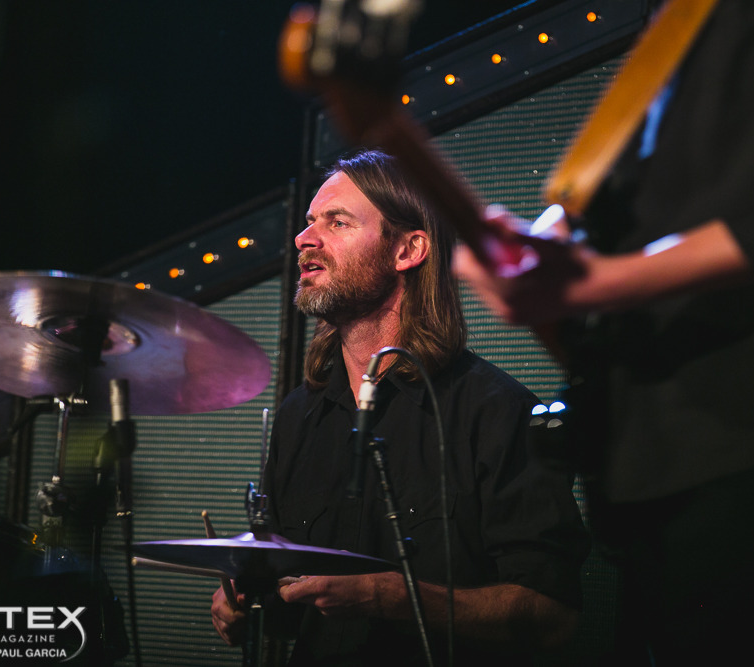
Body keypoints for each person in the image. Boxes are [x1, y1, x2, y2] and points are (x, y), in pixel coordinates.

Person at [454, 1, 754, 665]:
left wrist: (606, 280)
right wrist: (547, 242)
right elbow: (637, 216)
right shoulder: (673, 28)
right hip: (654, 457)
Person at [210, 149, 590, 665]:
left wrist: (390, 597)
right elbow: (286, 601)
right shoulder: (300, 416)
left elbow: (554, 617)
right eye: (308, 224)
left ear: (408, 250)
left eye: (337, 221)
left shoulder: (497, 411)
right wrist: (244, 602)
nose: (305, 239)